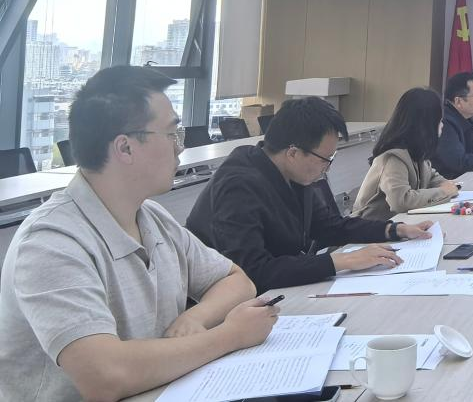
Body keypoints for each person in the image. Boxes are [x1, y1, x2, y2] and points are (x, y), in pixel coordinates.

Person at [0, 66, 276, 402]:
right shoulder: (49, 243)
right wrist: (230, 336)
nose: (180, 148)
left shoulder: (152, 217)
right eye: (172, 134)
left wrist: (195, 317)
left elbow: (236, 280)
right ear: (125, 148)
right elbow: (105, 377)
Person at [186, 97, 435, 292]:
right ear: (293, 153)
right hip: (230, 307)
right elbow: (253, 271)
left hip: (278, 291)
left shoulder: (292, 174)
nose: (327, 168)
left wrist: (394, 230)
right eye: (326, 158)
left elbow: (329, 227)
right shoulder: (238, 186)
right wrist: (341, 261)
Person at [351, 87, 460, 221]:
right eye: (439, 120)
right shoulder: (393, 158)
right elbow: (401, 201)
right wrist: (444, 192)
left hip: (398, 225)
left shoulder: (417, 152)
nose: (442, 125)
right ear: (426, 124)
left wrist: (447, 186)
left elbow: (432, 178)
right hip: (368, 229)